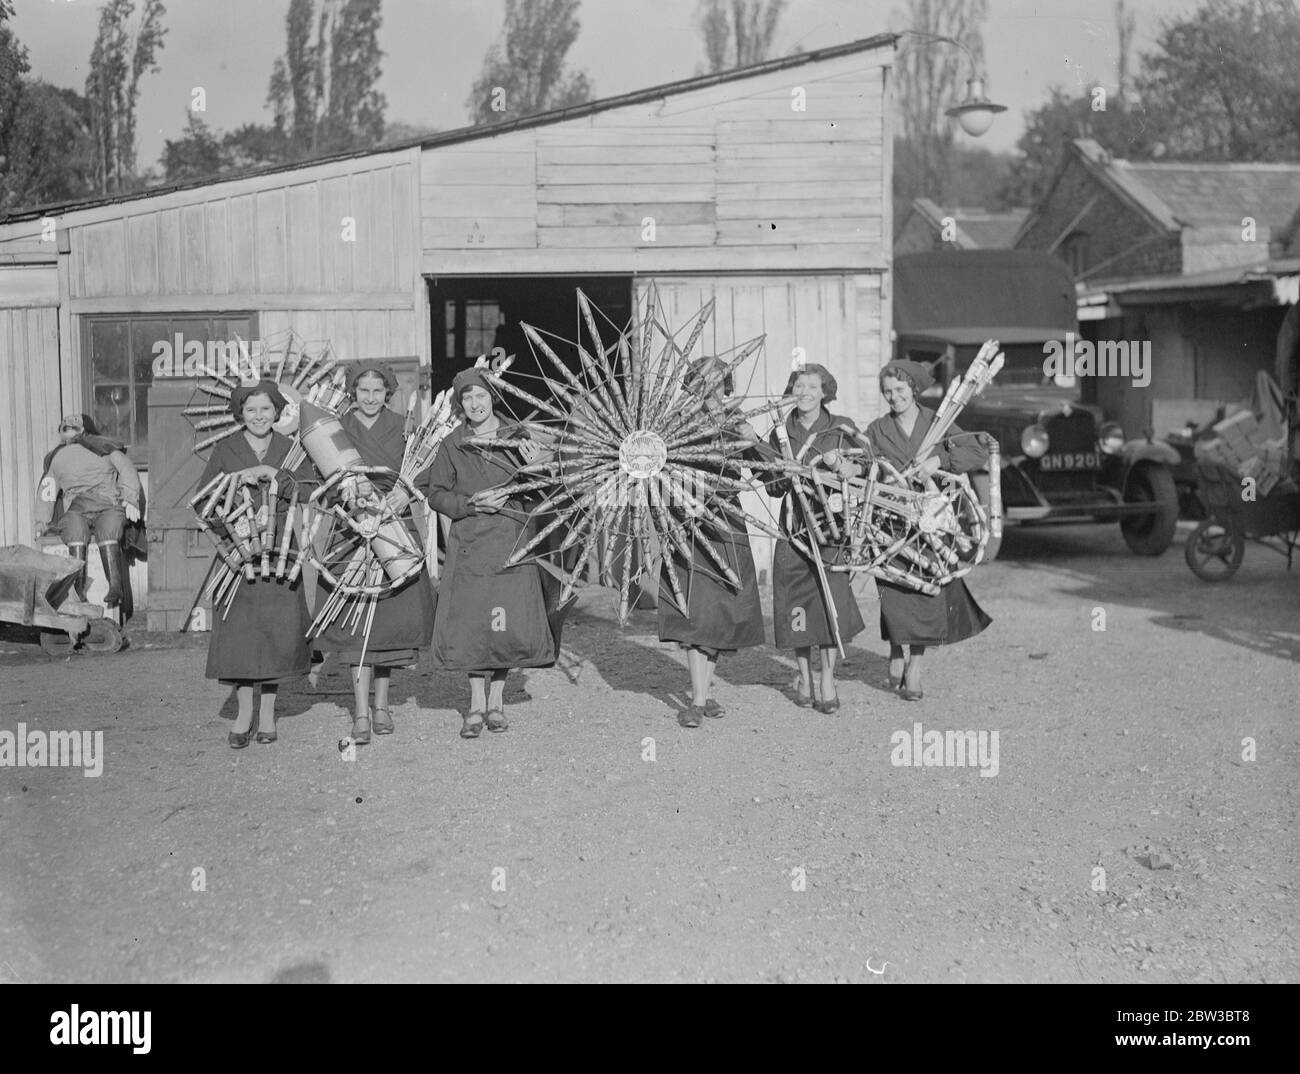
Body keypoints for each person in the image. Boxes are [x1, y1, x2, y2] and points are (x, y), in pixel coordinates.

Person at [424, 368, 558, 738]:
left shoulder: (518, 437)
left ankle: (496, 702)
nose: (475, 403)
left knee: (504, 623)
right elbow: (436, 493)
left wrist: (535, 468)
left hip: (511, 541)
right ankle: (475, 703)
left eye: (480, 395)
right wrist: (468, 504)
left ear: (493, 398)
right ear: (460, 403)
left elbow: (546, 491)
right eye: (467, 397)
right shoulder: (452, 444)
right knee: (473, 624)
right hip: (470, 545)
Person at [317, 362, 436, 744]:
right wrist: (343, 494)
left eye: (377, 391)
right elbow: (319, 474)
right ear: (353, 393)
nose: (370, 398)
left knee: (386, 626)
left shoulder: (405, 426)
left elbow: (422, 470)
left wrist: (407, 490)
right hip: (350, 534)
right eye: (363, 391)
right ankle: (361, 712)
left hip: (394, 531)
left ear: (388, 393)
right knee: (356, 627)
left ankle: (382, 704)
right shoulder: (337, 429)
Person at [197, 381, 316, 748]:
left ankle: (267, 715)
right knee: (242, 637)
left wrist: (274, 473)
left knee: (276, 635)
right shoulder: (225, 449)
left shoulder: (291, 449)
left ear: (277, 412)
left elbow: (312, 488)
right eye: (251, 410)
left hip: (280, 552)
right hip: (239, 554)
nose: (259, 416)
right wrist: (235, 482)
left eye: (266, 409)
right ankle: (244, 713)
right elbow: (204, 502)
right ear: (240, 414)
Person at [865, 360, 992, 701]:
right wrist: (879, 474)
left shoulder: (937, 423)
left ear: (914, 390)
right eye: (888, 392)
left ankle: (915, 667)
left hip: (931, 522)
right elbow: (864, 465)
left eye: (900, 390)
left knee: (925, 593)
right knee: (892, 589)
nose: (894, 398)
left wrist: (940, 461)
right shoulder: (877, 429)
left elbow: (978, 450)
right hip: (889, 523)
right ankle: (895, 646)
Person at [656, 356, 771, 728]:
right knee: (695, 608)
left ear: (726, 386)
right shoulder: (674, 422)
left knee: (719, 608)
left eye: (717, 382)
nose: (709, 389)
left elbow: (772, 474)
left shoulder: (738, 424)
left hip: (725, 522)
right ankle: (699, 697)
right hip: (685, 518)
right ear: (692, 385)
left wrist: (756, 443)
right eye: (701, 381)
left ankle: (702, 692)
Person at [765, 364, 867, 714]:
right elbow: (772, 488)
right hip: (794, 528)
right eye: (798, 385)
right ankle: (804, 675)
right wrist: (783, 473)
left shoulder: (841, 428)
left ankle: (827, 678)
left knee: (830, 602)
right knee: (797, 604)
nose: (805, 391)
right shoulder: (781, 433)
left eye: (812, 386)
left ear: (825, 391)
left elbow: (867, 464)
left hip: (832, 527)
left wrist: (851, 469)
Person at [35, 414, 141, 614]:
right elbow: (47, 490)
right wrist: (41, 521)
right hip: (77, 508)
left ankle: (115, 587)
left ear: (83, 430)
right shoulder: (57, 458)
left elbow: (127, 469)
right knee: (74, 528)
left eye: (72, 428)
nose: (68, 433)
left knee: (108, 527)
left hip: (107, 504)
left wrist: (131, 498)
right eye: (65, 429)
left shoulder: (104, 448)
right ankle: (78, 590)